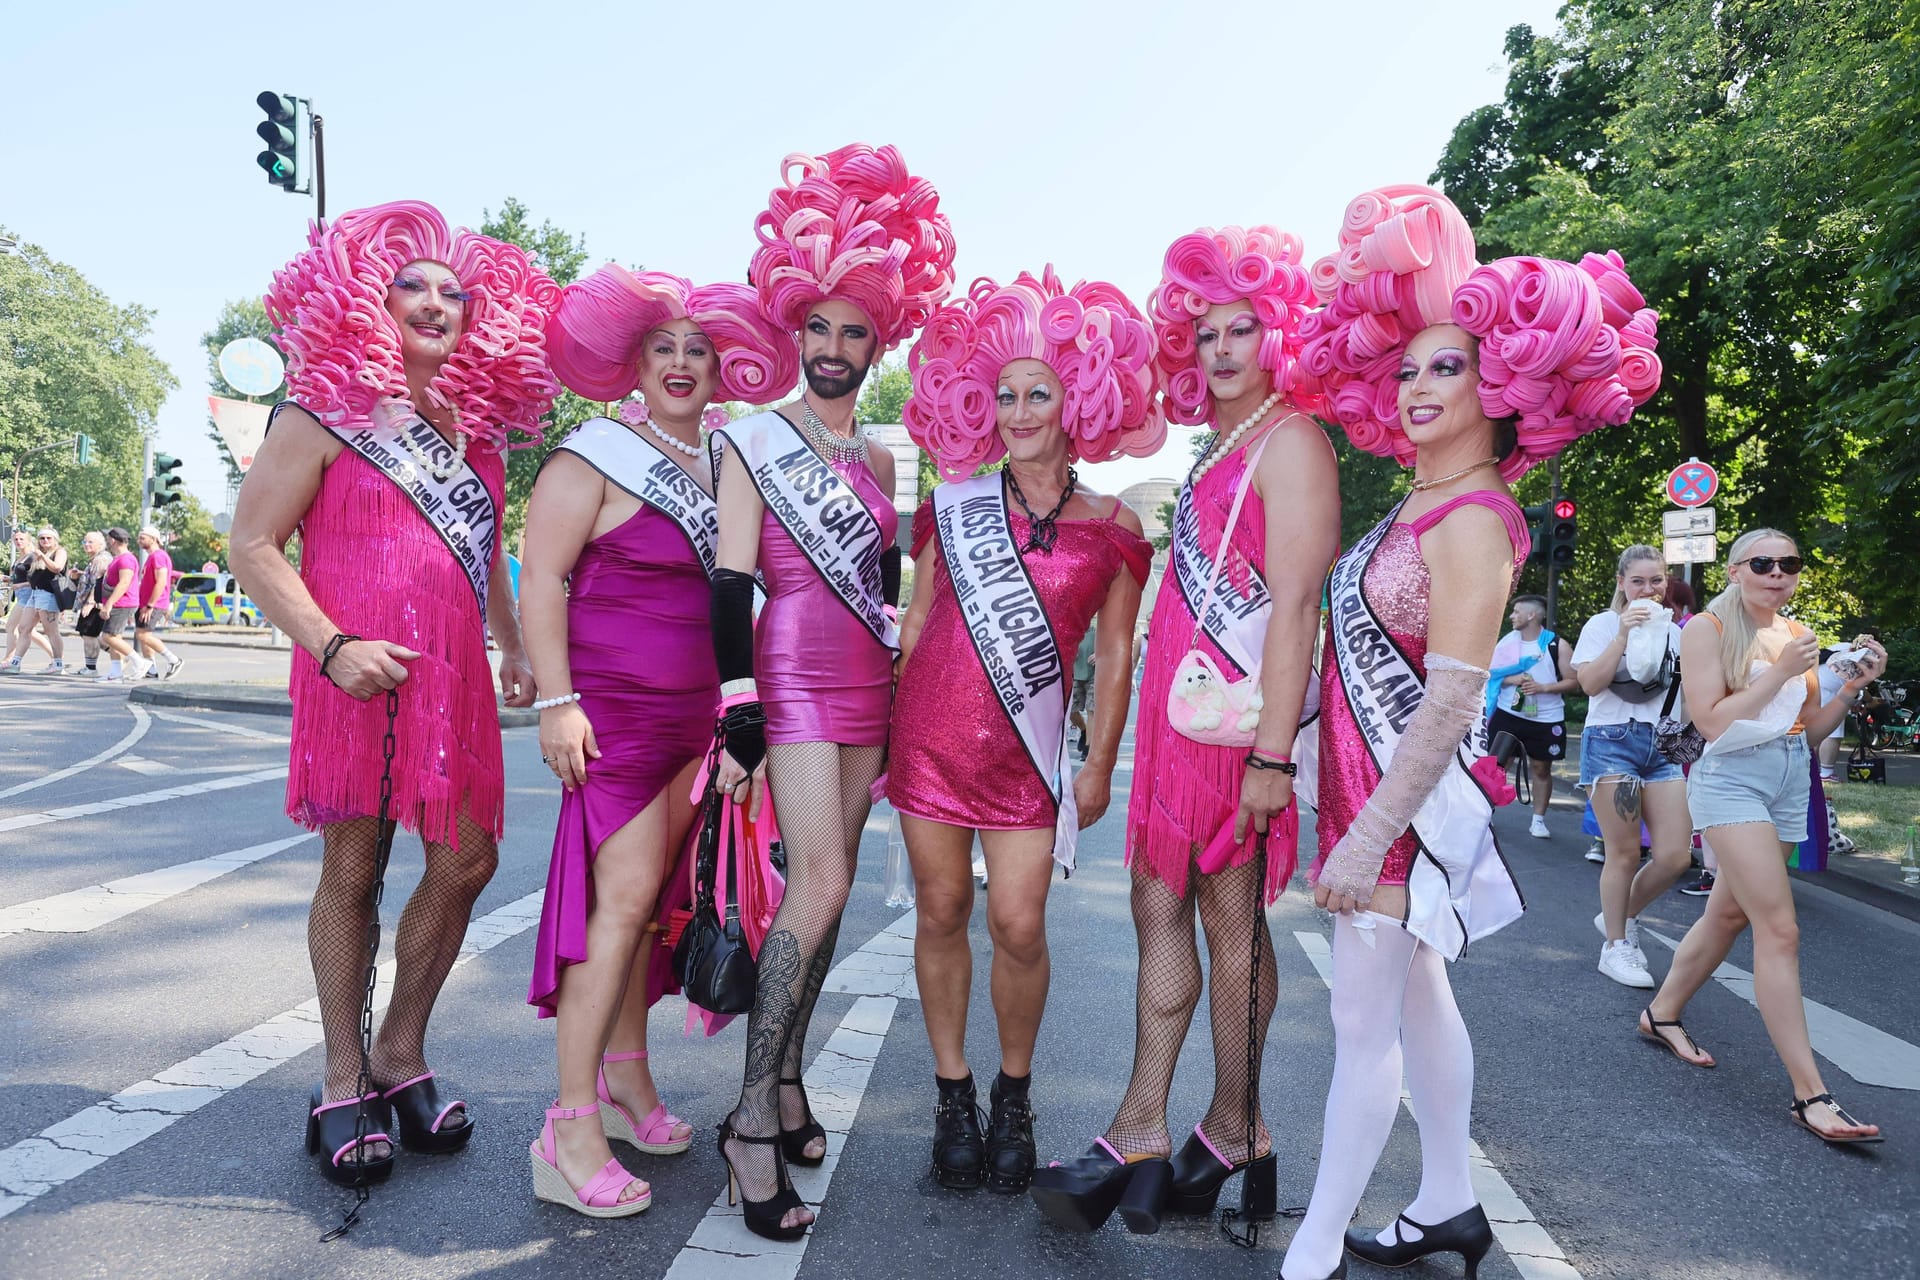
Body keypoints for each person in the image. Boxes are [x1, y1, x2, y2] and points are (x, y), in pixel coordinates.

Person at [1281, 188, 1660, 1280]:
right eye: (1407, 367)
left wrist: (1364, 838)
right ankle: (1448, 1198)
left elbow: (1449, 702)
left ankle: (1312, 1247)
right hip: (1361, 791)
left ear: (1504, 384)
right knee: (1416, 992)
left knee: (1362, 1025)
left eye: (1447, 366)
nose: (1416, 384)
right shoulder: (1411, 503)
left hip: (1395, 810)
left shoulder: (1478, 518)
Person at [231, 201, 555, 1187]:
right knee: (357, 860)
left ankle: (399, 1047)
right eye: (413, 282)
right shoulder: (320, 409)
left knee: (467, 856)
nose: (434, 302)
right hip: (353, 671)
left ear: (478, 320)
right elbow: (251, 546)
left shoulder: (478, 431)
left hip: (451, 679)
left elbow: (482, 550)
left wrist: (512, 641)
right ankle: (341, 1074)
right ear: (368, 299)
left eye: (454, 293)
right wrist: (330, 644)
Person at [1030, 225, 1336, 1237]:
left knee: (1227, 922)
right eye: (1204, 332)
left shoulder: (1292, 439)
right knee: (1158, 912)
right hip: (1179, 722)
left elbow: (1295, 608)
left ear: (1280, 331)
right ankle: (1157, 1123)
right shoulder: (1226, 445)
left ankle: (1223, 1123)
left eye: (1243, 327)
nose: (1221, 349)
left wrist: (1271, 759)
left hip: (1233, 732)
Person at [707, 143, 956, 1240]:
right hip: (794, 670)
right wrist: (738, 700)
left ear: (879, 342)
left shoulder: (886, 461)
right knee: (813, 883)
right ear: (793, 332)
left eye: (857, 333)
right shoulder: (753, 439)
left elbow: (888, 581)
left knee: (839, 884)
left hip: (867, 677)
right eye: (821, 330)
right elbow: (729, 576)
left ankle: (793, 1076)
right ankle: (751, 1121)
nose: (838, 349)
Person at [521, 264, 797, 1216]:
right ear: (630, 362)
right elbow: (541, 580)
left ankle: (628, 1082)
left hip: (702, 715)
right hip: (617, 714)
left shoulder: (731, 460)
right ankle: (567, 1124)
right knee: (621, 900)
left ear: (728, 368)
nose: (682, 364)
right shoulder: (591, 455)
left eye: (699, 350)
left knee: (655, 915)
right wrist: (556, 700)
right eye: (663, 348)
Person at [892, 268, 1159, 1194]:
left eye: (1037, 392)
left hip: (1028, 757)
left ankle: (1014, 1092)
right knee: (941, 911)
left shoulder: (1117, 528)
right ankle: (952, 1096)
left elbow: (1117, 659)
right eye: (1003, 395)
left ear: (1076, 399)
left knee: (1017, 921)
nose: (1016, 411)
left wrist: (1100, 765)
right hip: (928, 738)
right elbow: (920, 625)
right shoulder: (953, 507)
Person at [1638, 530, 1886, 1144]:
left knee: (1728, 917)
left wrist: (1849, 689)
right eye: (1763, 563)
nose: (1778, 573)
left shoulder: (1798, 634)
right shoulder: (1707, 629)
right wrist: (1779, 672)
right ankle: (1812, 1094)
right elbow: (1712, 721)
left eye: (1789, 563)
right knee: (1781, 927)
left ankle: (1660, 1013)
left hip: (1787, 779)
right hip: (1730, 782)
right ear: (1734, 570)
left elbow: (1805, 732)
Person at [1572, 545, 1691, 989]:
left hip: (1660, 746)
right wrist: (1622, 635)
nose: (1648, 589)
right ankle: (1617, 946)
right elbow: (1589, 684)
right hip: (1611, 741)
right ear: (1622, 582)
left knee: (1676, 856)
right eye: (1638, 581)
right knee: (1623, 852)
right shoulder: (1603, 624)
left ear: (1667, 583)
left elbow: (1684, 694)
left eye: (1656, 580)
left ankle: (1619, 913)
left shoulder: (1676, 632)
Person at [1486, 594, 1575, 837]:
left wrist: (1543, 688)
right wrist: (1511, 679)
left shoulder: (1556, 645)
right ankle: (1486, 813)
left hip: (1545, 718)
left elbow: (1574, 681)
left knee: (1541, 769)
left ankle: (1538, 820)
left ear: (1532, 615)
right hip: (1508, 714)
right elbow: (1490, 675)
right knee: (1496, 766)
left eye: (1517, 611)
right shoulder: (1506, 642)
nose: (1512, 616)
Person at [3, 526, 68, 673]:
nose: (45, 540)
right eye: (42, 538)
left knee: (50, 630)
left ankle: (58, 664)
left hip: (49, 594)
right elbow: (32, 577)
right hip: (35, 594)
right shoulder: (37, 554)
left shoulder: (59, 552)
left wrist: (43, 557)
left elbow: (57, 568)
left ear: (55, 539)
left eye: (48, 538)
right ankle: (15, 663)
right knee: (23, 628)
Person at [92, 528, 149, 683]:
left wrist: (109, 604)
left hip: (122, 602)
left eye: (108, 538)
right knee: (115, 637)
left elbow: (124, 582)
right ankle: (115, 672)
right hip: (119, 602)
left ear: (113, 540)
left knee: (108, 637)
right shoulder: (119, 558)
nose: (107, 541)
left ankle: (140, 662)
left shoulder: (126, 559)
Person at [132, 527, 184, 679]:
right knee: (142, 634)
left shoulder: (159, 556)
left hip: (154, 604)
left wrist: (150, 605)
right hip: (146, 603)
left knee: (143, 635)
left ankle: (174, 660)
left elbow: (161, 581)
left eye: (142, 537)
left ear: (153, 539)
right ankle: (151, 669)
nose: (139, 541)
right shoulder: (152, 557)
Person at [70, 531, 109, 676]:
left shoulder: (101, 559)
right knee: (87, 633)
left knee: (89, 634)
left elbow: (98, 582)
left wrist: (91, 602)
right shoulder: (95, 559)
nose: (86, 544)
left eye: (90, 542)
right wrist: (81, 574)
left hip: (95, 603)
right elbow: (92, 577)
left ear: (100, 544)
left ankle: (91, 668)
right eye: (85, 542)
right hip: (91, 601)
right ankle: (118, 653)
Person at [1071, 626, 1098, 761]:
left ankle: (1088, 748)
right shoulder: (1072, 629)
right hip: (1076, 675)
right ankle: (1084, 730)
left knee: (1091, 710)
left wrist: (1100, 653)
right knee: (1071, 710)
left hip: (1094, 675)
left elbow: (1112, 647)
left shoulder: (1097, 631)